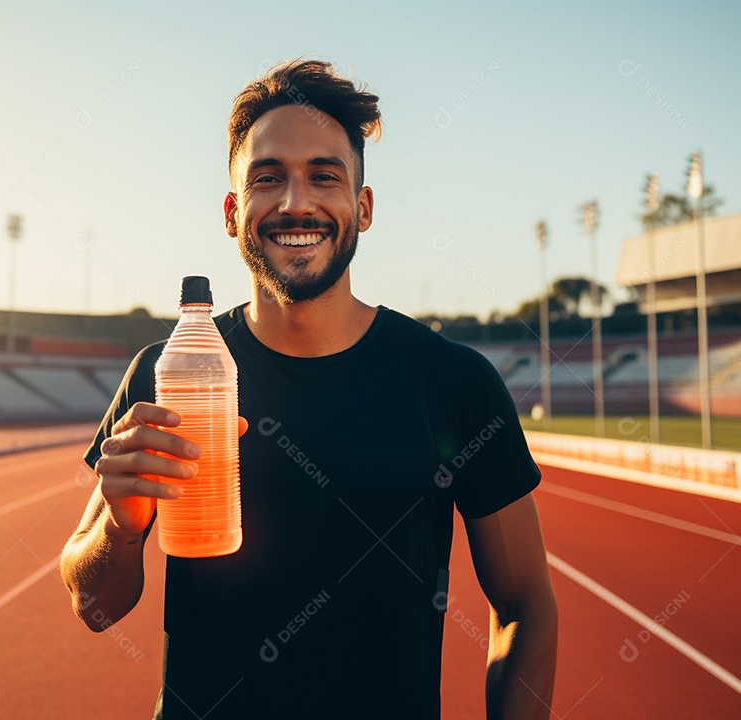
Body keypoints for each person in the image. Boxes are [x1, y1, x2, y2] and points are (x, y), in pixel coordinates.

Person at [60, 59, 557, 719]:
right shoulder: (170, 374)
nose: (296, 202)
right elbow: (94, 606)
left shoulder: (452, 381)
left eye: (324, 175)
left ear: (363, 206)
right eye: (269, 179)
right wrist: (120, 529)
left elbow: (525, 605)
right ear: (234, 213)